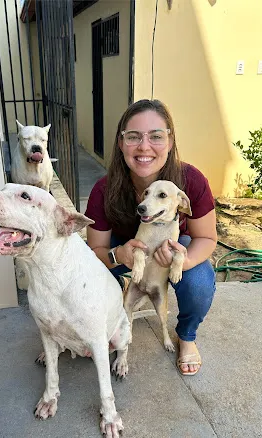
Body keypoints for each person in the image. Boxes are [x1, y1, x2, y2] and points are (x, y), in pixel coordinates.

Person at [85, 99, 217, 376]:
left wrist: (180, 261)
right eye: (133, 137)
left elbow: (206, 238)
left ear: (169, 141)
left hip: (170, 249)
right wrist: (116, 255)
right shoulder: (104, 189)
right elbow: (94, 249)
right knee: (88, 279)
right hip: (123, 253)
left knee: (200, 280)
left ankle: (187, 336)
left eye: (156, 136)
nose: (144, 147)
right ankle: (101, 329)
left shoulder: (190, 181)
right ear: (121, 144)